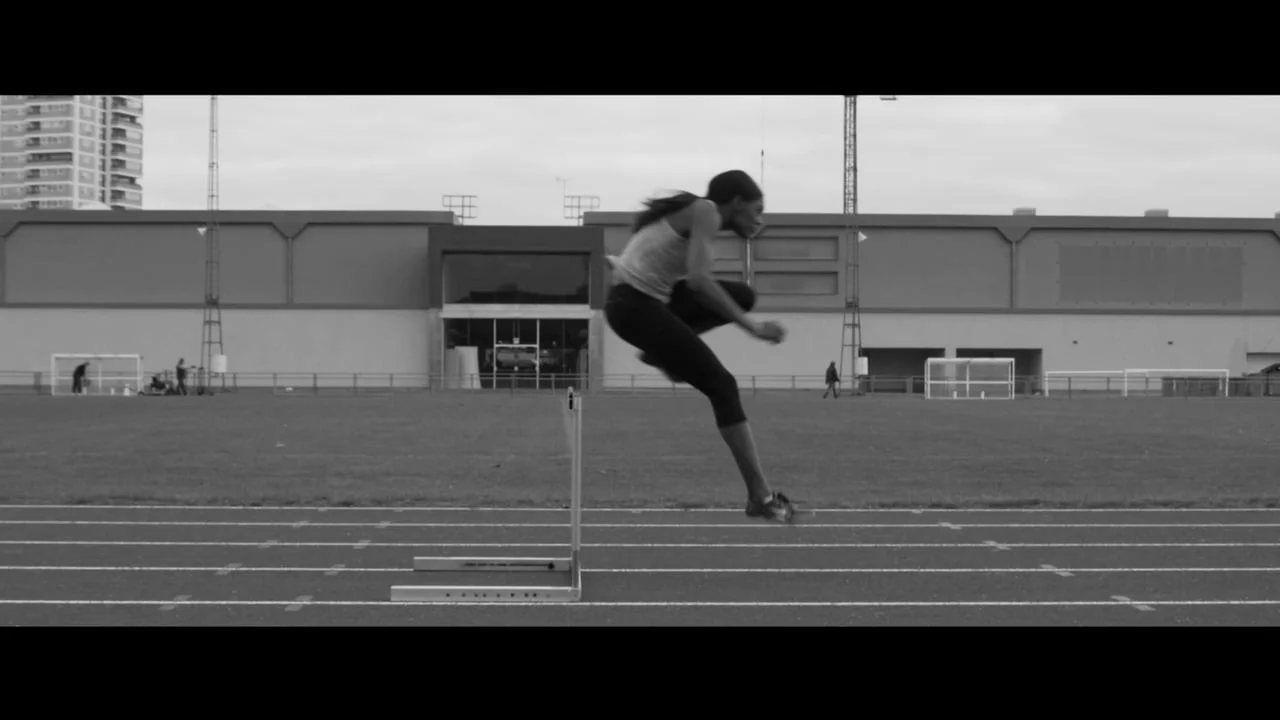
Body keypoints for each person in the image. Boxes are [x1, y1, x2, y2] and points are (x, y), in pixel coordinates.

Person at [604, 170, 797, 523]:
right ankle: (760, 497)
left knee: (742, 295)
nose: (759, 220)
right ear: (736, 203)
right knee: (722, 385)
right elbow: (698, 279)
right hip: (632, 307)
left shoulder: (695, 214)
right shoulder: (706, 210)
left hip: (644, 302)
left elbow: (681, 276)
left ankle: (658, 353)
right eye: (757, 210)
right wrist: (753, 327)